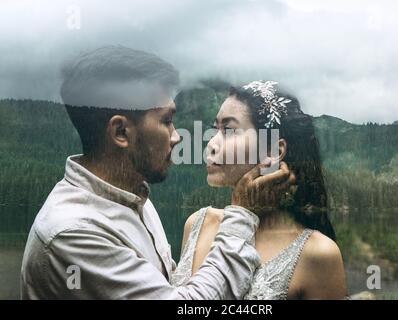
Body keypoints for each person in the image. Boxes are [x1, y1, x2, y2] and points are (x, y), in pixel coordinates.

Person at [20, 47, 293, 299]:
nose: (177, 137)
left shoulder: (137, 198)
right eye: (167, 121)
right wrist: (243, 215)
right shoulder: (74, 232)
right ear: (121, 132)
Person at [172, 81, 348, 299]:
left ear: (275, 150)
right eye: (215, 129)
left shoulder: (317, 253)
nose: (211, 144)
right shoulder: (198, 224)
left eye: (228, 130)